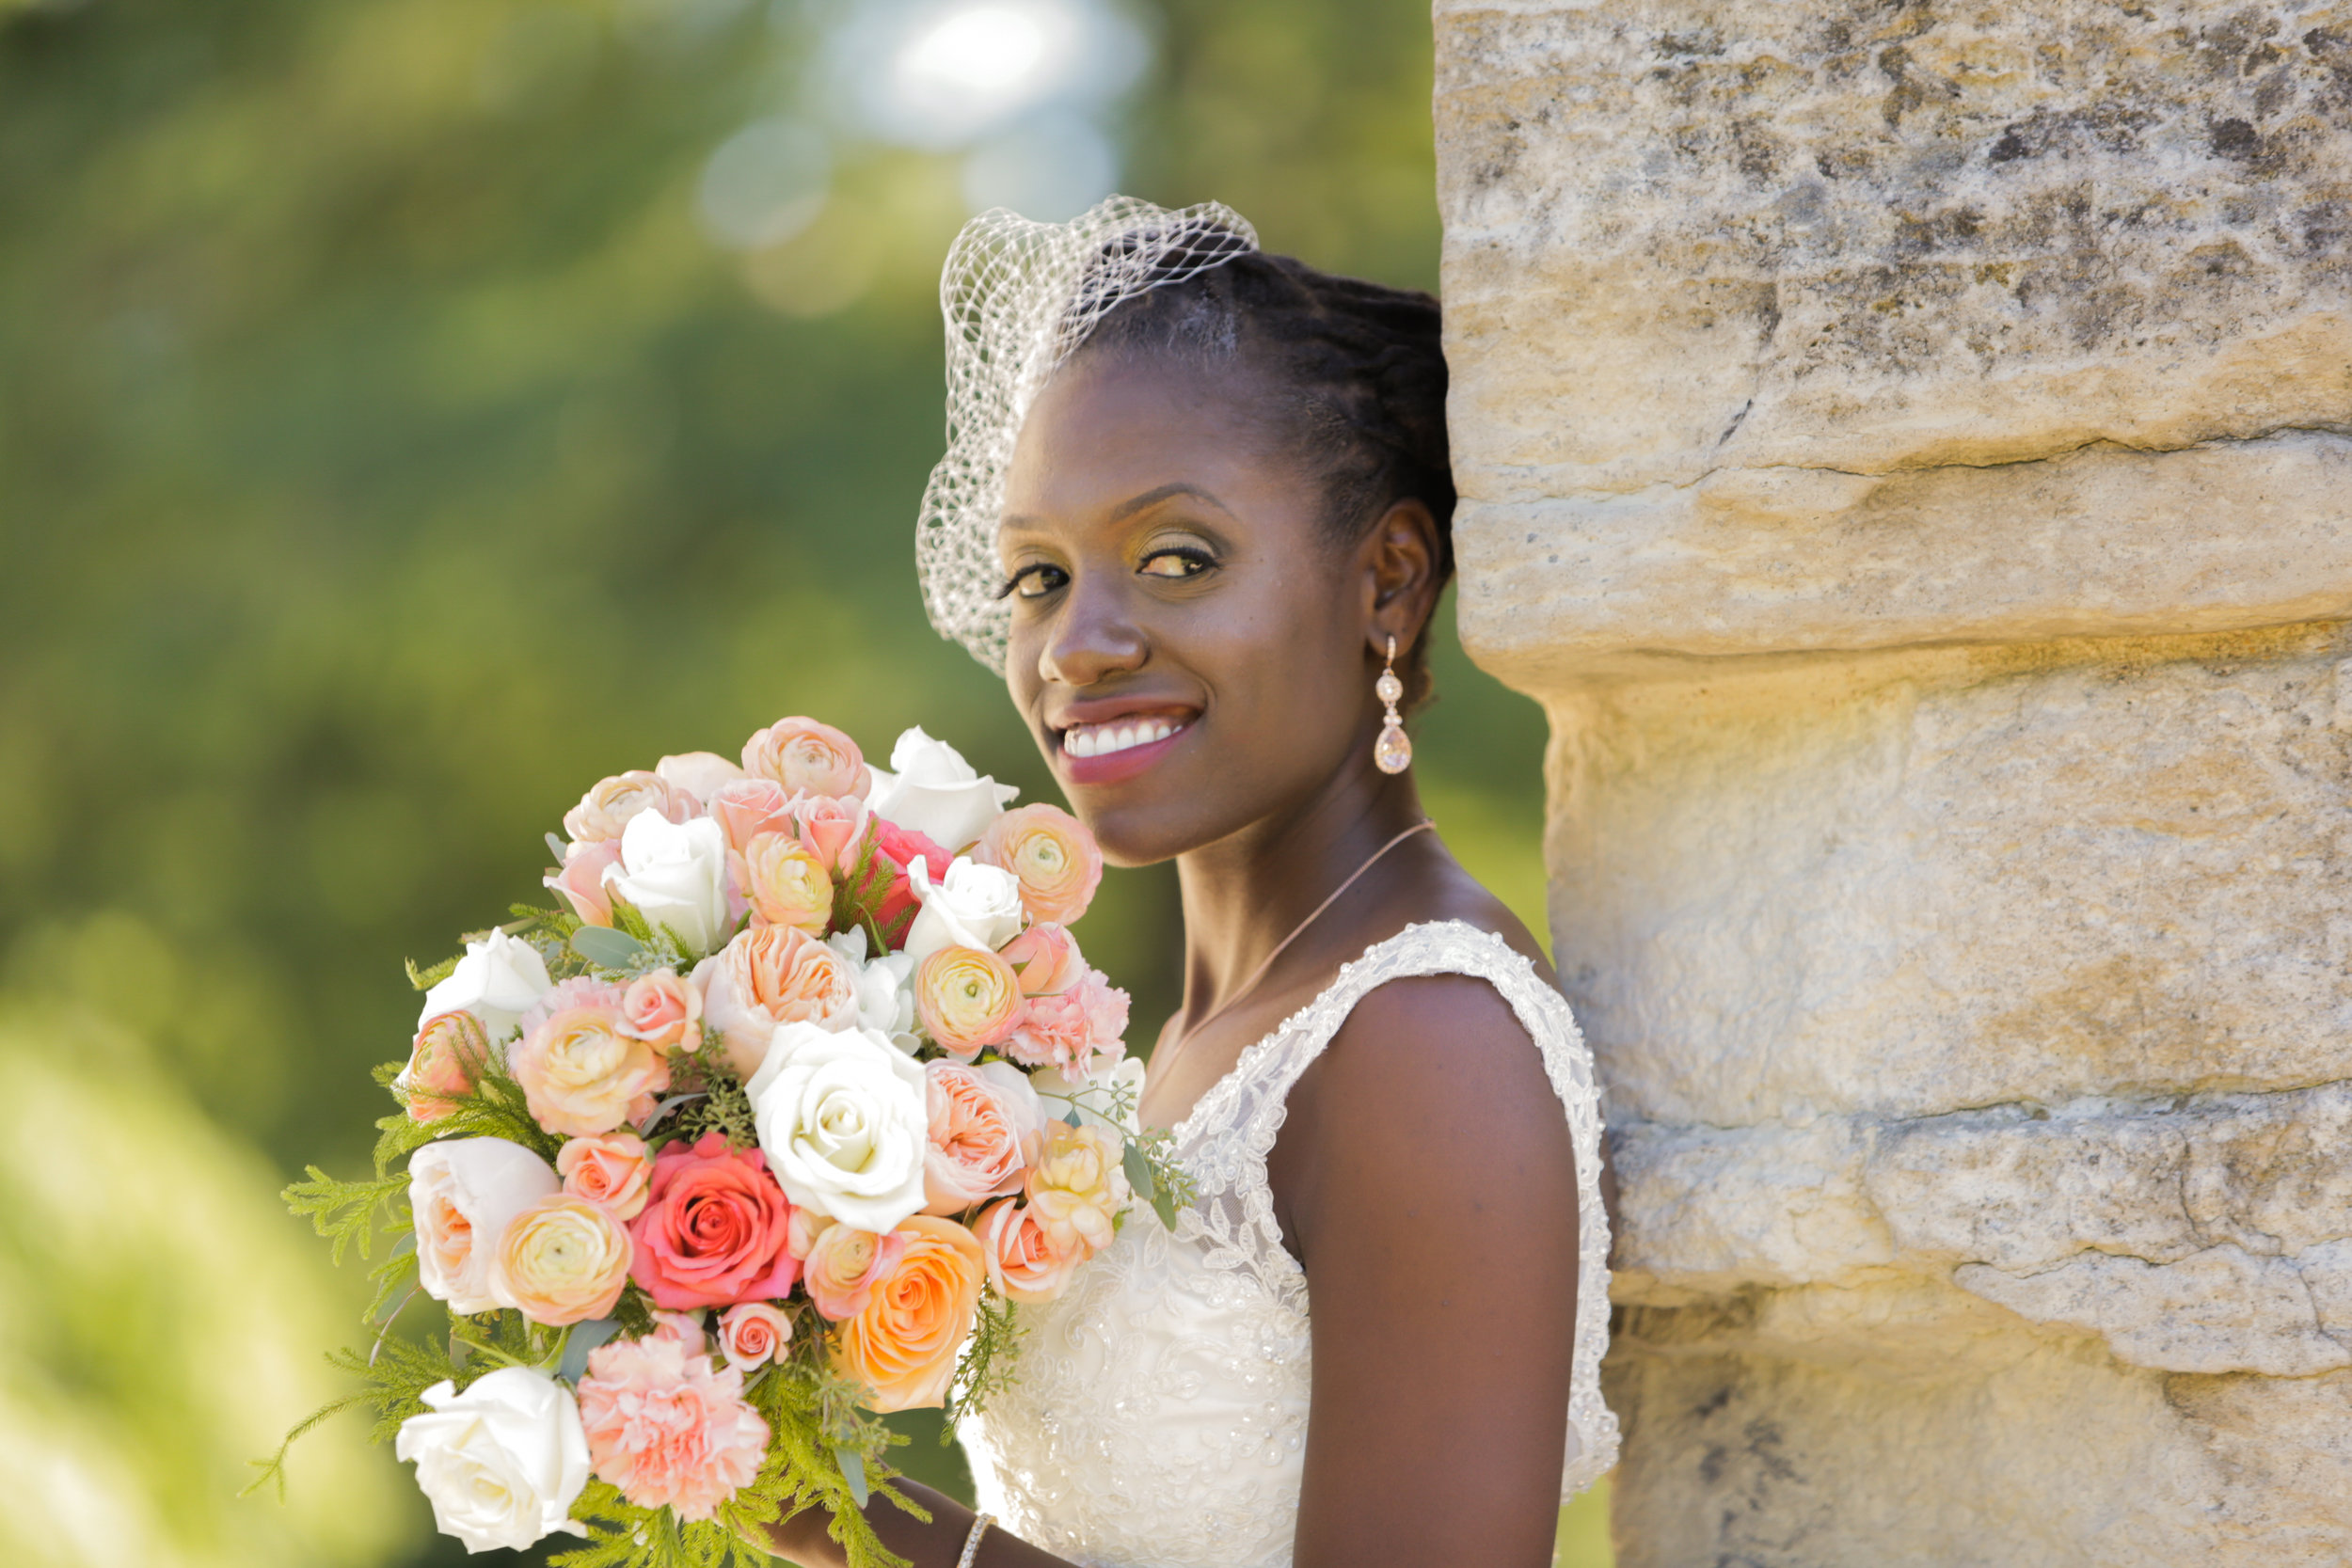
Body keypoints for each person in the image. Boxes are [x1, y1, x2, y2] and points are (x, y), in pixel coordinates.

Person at [770, 198, 1613, 1568]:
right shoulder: (1174, 1050)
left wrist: (850, 1526)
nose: (1075, 646)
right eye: (1037, 575)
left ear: (1387, 582)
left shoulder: (1425, 1038)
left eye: (1177, 559)